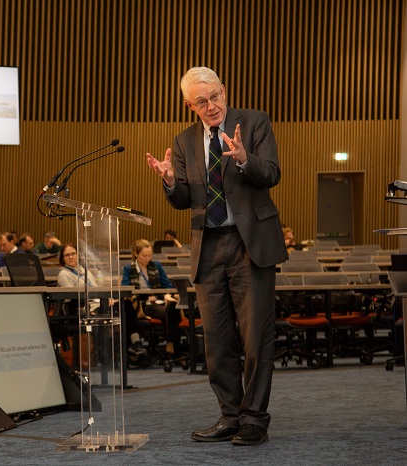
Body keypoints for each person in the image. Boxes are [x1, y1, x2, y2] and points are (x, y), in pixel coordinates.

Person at [146, 66, 287, 446]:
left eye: (215, 97)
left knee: (256, 336)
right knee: (217, 341)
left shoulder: (255, 122)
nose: (211, 106)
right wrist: (170, 182)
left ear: (224, 91)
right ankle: (229, 415)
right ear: (189, 105)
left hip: (249, 244)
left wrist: (244, 158)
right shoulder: (183, 141)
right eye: (201, 101)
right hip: (208, 247)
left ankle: (254, 419)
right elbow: (182, 201)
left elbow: (272, 172)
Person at [120, 239, 180, 359]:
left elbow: (167, 285)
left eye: (149, 255)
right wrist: (146, 296)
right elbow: (126, 288)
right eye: (144, 255)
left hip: (159, 301)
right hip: (143, 305)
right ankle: (174, 347)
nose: (147, 258)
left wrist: (166, 295)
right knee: (171, 312)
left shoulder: (156, 265)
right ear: (136, 254)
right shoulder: (129, 269)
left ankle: (171, 344)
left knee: (172, 307)